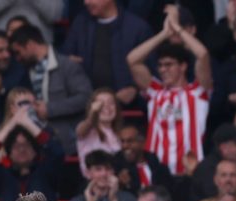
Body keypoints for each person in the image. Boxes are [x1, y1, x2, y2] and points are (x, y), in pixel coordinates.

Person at [127, 6, 212, 176]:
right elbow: (132, 60)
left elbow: (202, 54)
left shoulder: (198, 92)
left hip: (190, 171)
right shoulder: (155, 91)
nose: (163, 70)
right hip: (157, 171)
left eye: (169, 65)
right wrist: (164, 34)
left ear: (183, 66)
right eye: (160, 65)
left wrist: (178, 29)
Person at [9, 23, 92, 155]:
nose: (17, 58)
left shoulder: (67, 66)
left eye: (18, 52)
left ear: (30, 44)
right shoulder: (24, 73)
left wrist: (50, 109)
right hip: (36, 145)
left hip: (66, 144)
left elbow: (85, 98)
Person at [60, 0, 153, 107]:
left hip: (128, 109)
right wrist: (69, 62)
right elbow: (66, 57)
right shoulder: (81, 24)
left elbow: (151, 73)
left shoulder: (137, 28)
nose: (86, 2)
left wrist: (135, 88)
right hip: (88, 107)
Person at [76, 88, 123, 179]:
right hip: (93, 185)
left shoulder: (120, 133)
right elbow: (83, 129)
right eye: (100, 104)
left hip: (116, 183)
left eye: (111, 103)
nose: (107, 107)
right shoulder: (87, 130)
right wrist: (93, 112)